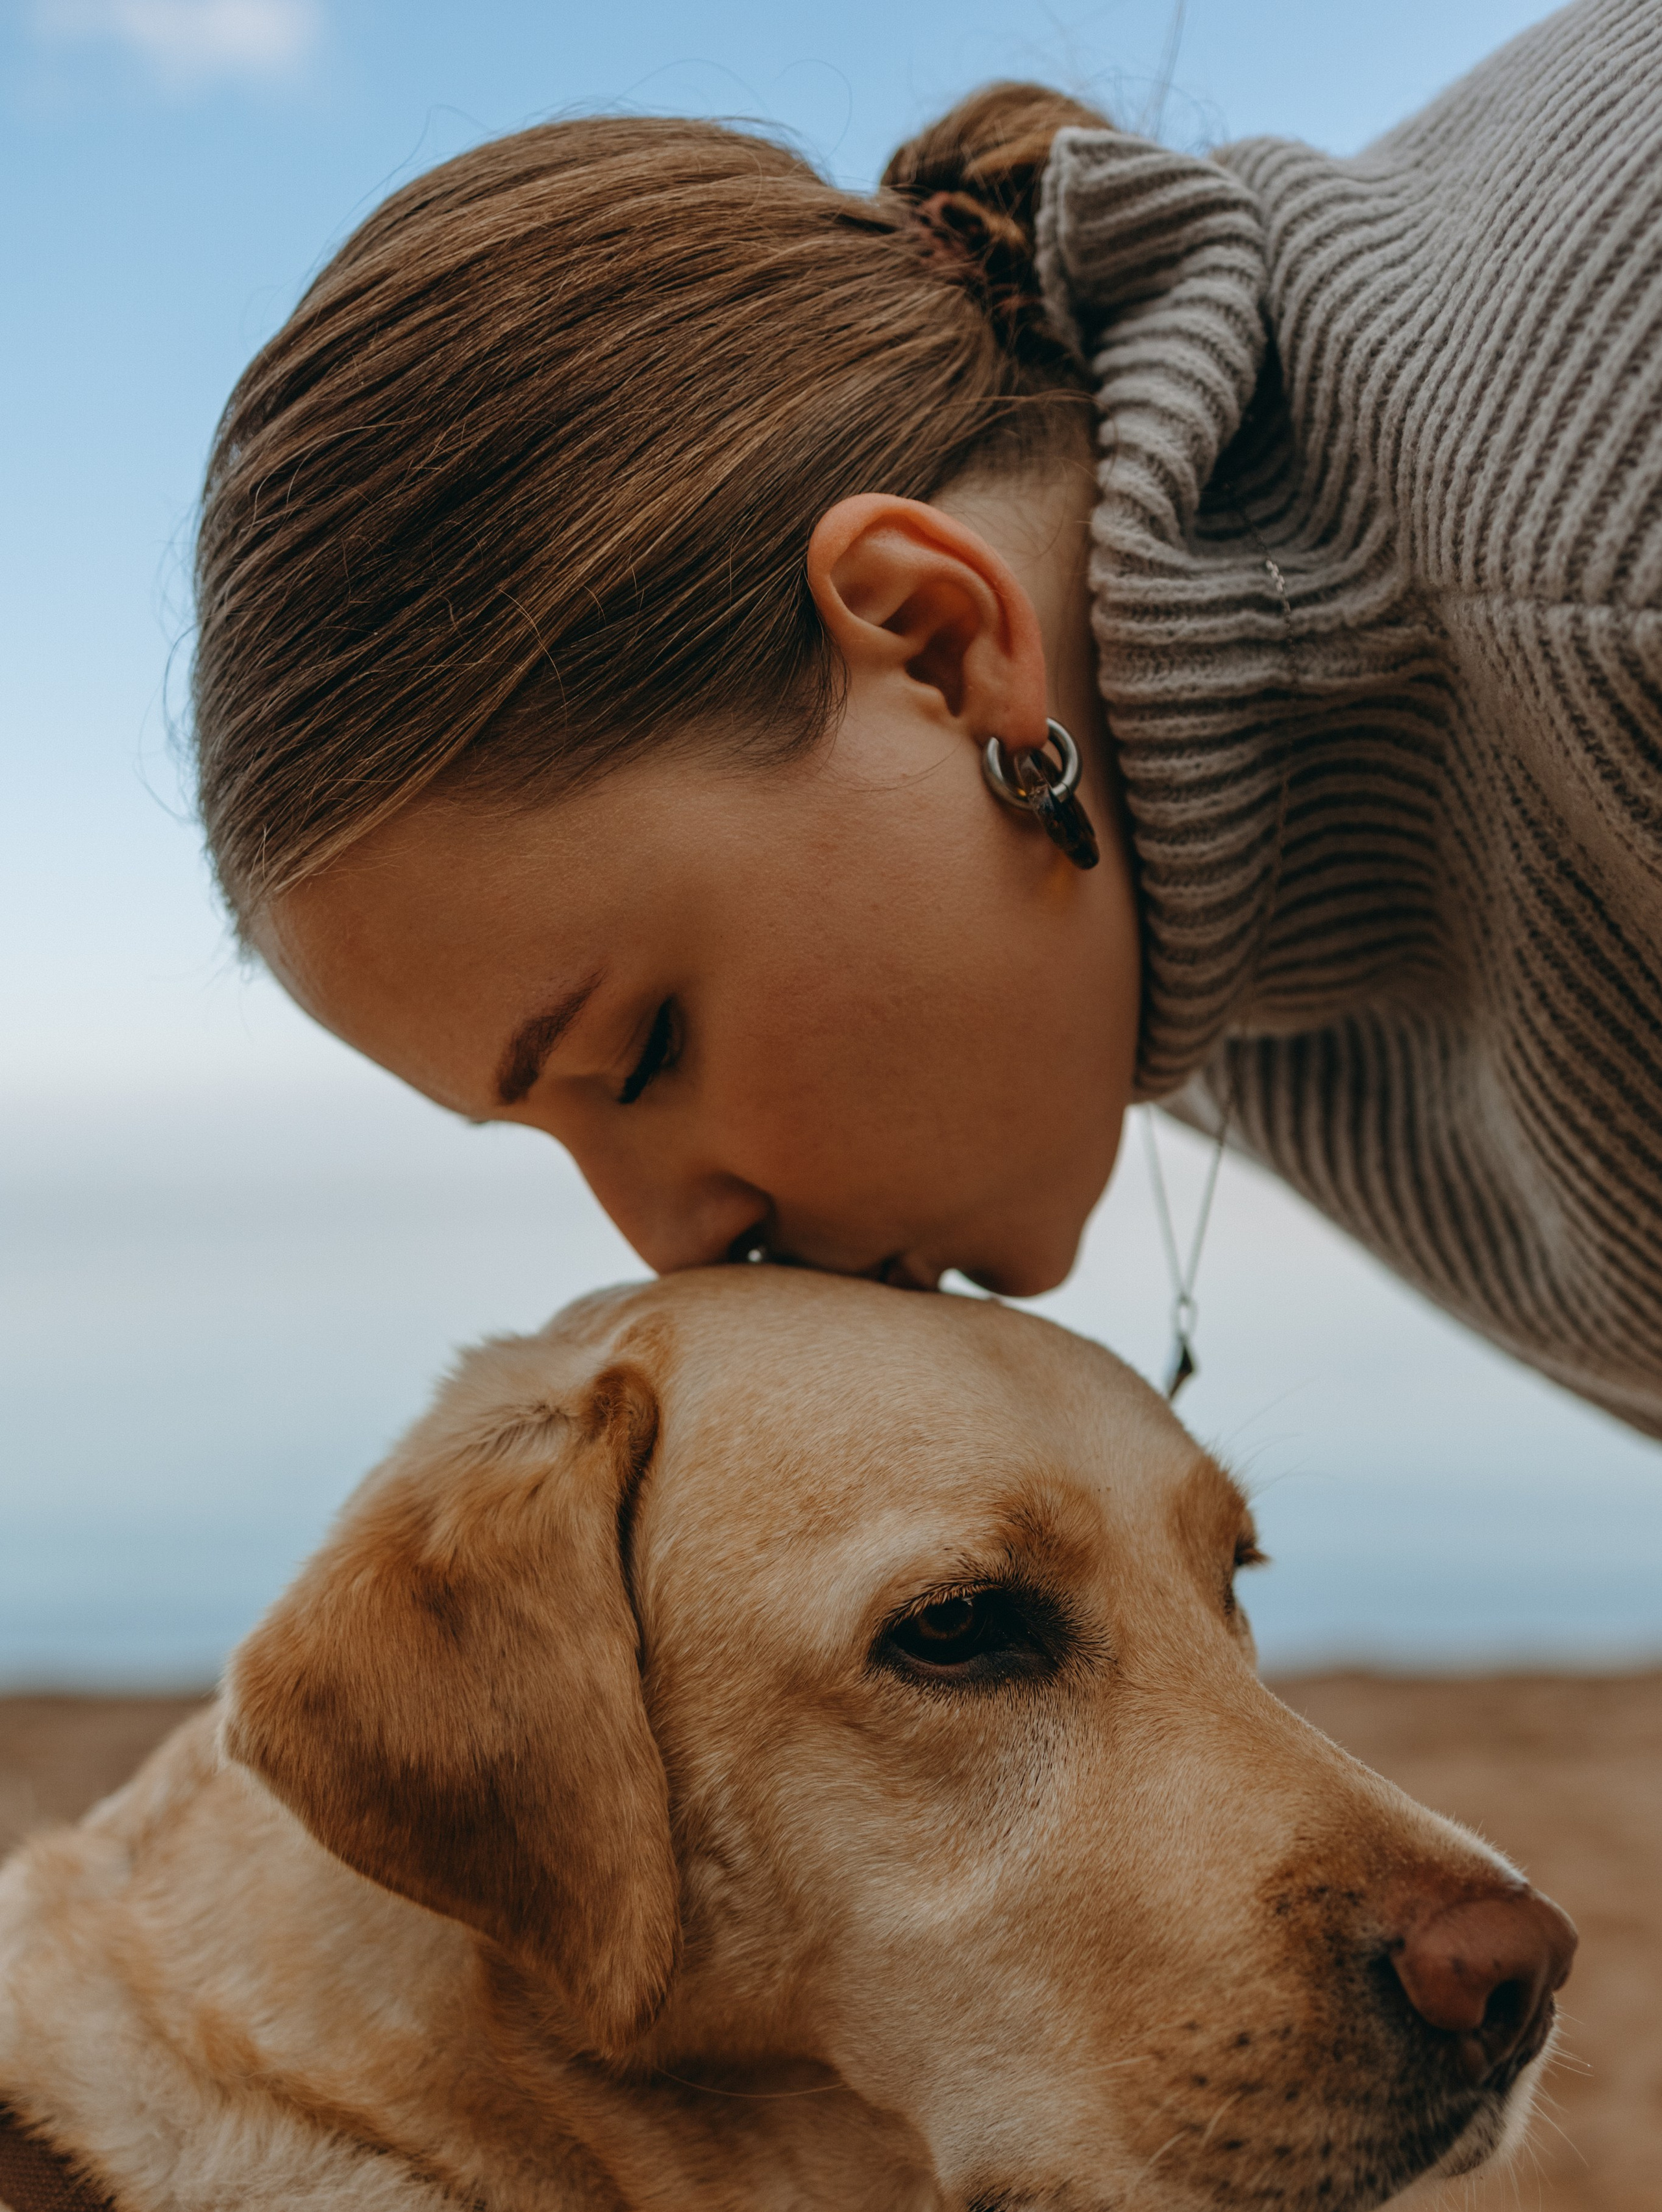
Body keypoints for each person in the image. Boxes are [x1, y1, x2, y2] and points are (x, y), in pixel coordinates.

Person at [191, 0, 1662, 1437]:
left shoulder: (1610, 558)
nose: (669, 1244)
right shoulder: (1112, 921)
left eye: (642, 1053)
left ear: (940, 646)